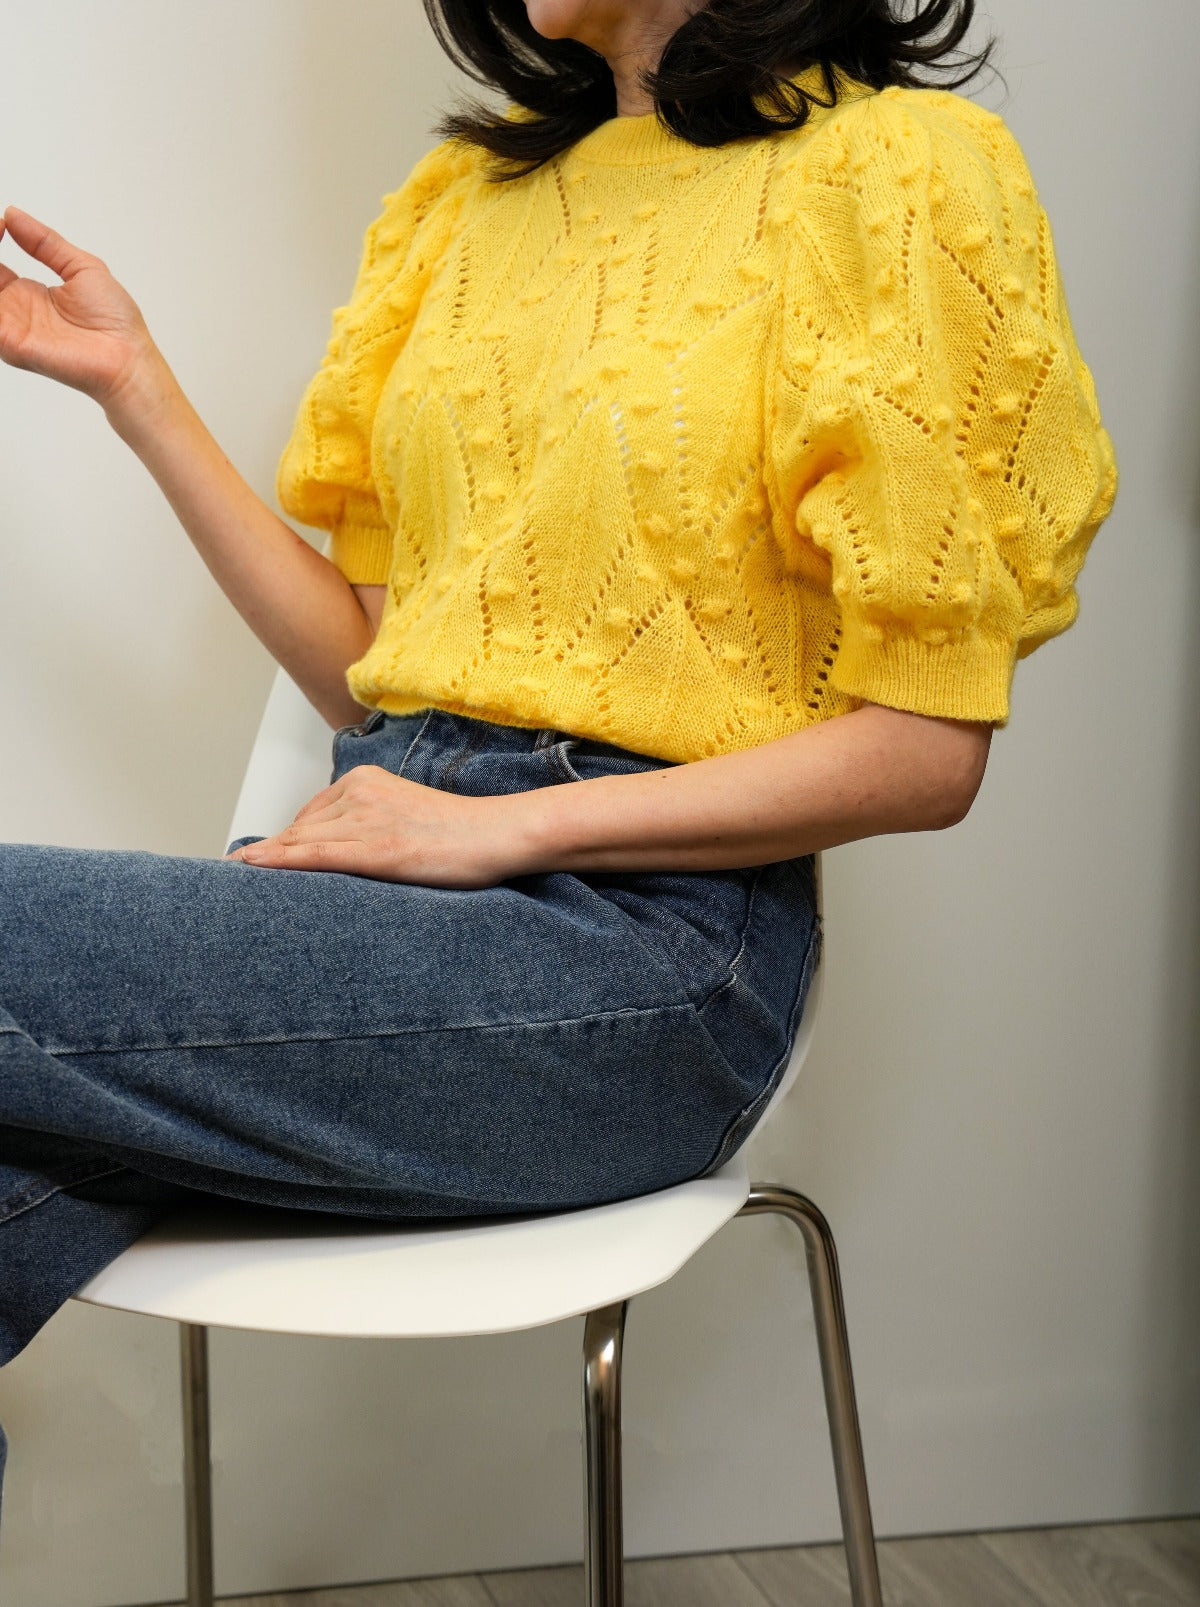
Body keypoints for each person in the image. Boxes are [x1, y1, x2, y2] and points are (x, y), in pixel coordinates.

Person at [0, 0, 1117, 1519]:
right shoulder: (467, 208)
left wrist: (501, 835)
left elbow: (925, 754)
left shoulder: (905, 173)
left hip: (647, 957)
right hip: (389, 903)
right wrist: (137, 391)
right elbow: (373, 668)